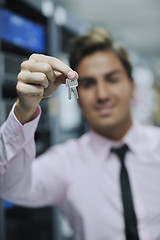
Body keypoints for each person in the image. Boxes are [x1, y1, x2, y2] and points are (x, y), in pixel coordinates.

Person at [0, 27, 160, 240]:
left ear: (132, 87)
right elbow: (10, 188)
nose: (102, 95)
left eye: (112, 79)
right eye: (88, 84)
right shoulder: (65, 162)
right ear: (76, 94)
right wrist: (24, 110)